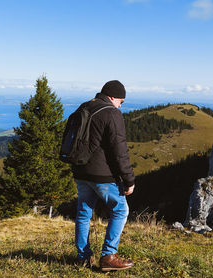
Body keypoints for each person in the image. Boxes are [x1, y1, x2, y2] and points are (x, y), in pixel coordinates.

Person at [72, 80, 135, 271]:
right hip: (102, 175)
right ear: (113, 97)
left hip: (80, 170)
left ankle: (83, 257)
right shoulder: (111, 113)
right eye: (121, 101)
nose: (120, 106)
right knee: (120, 210)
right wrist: (129, 179)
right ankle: (108, 256)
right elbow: (119, 151)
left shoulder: (85, 106)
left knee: (83, 213)